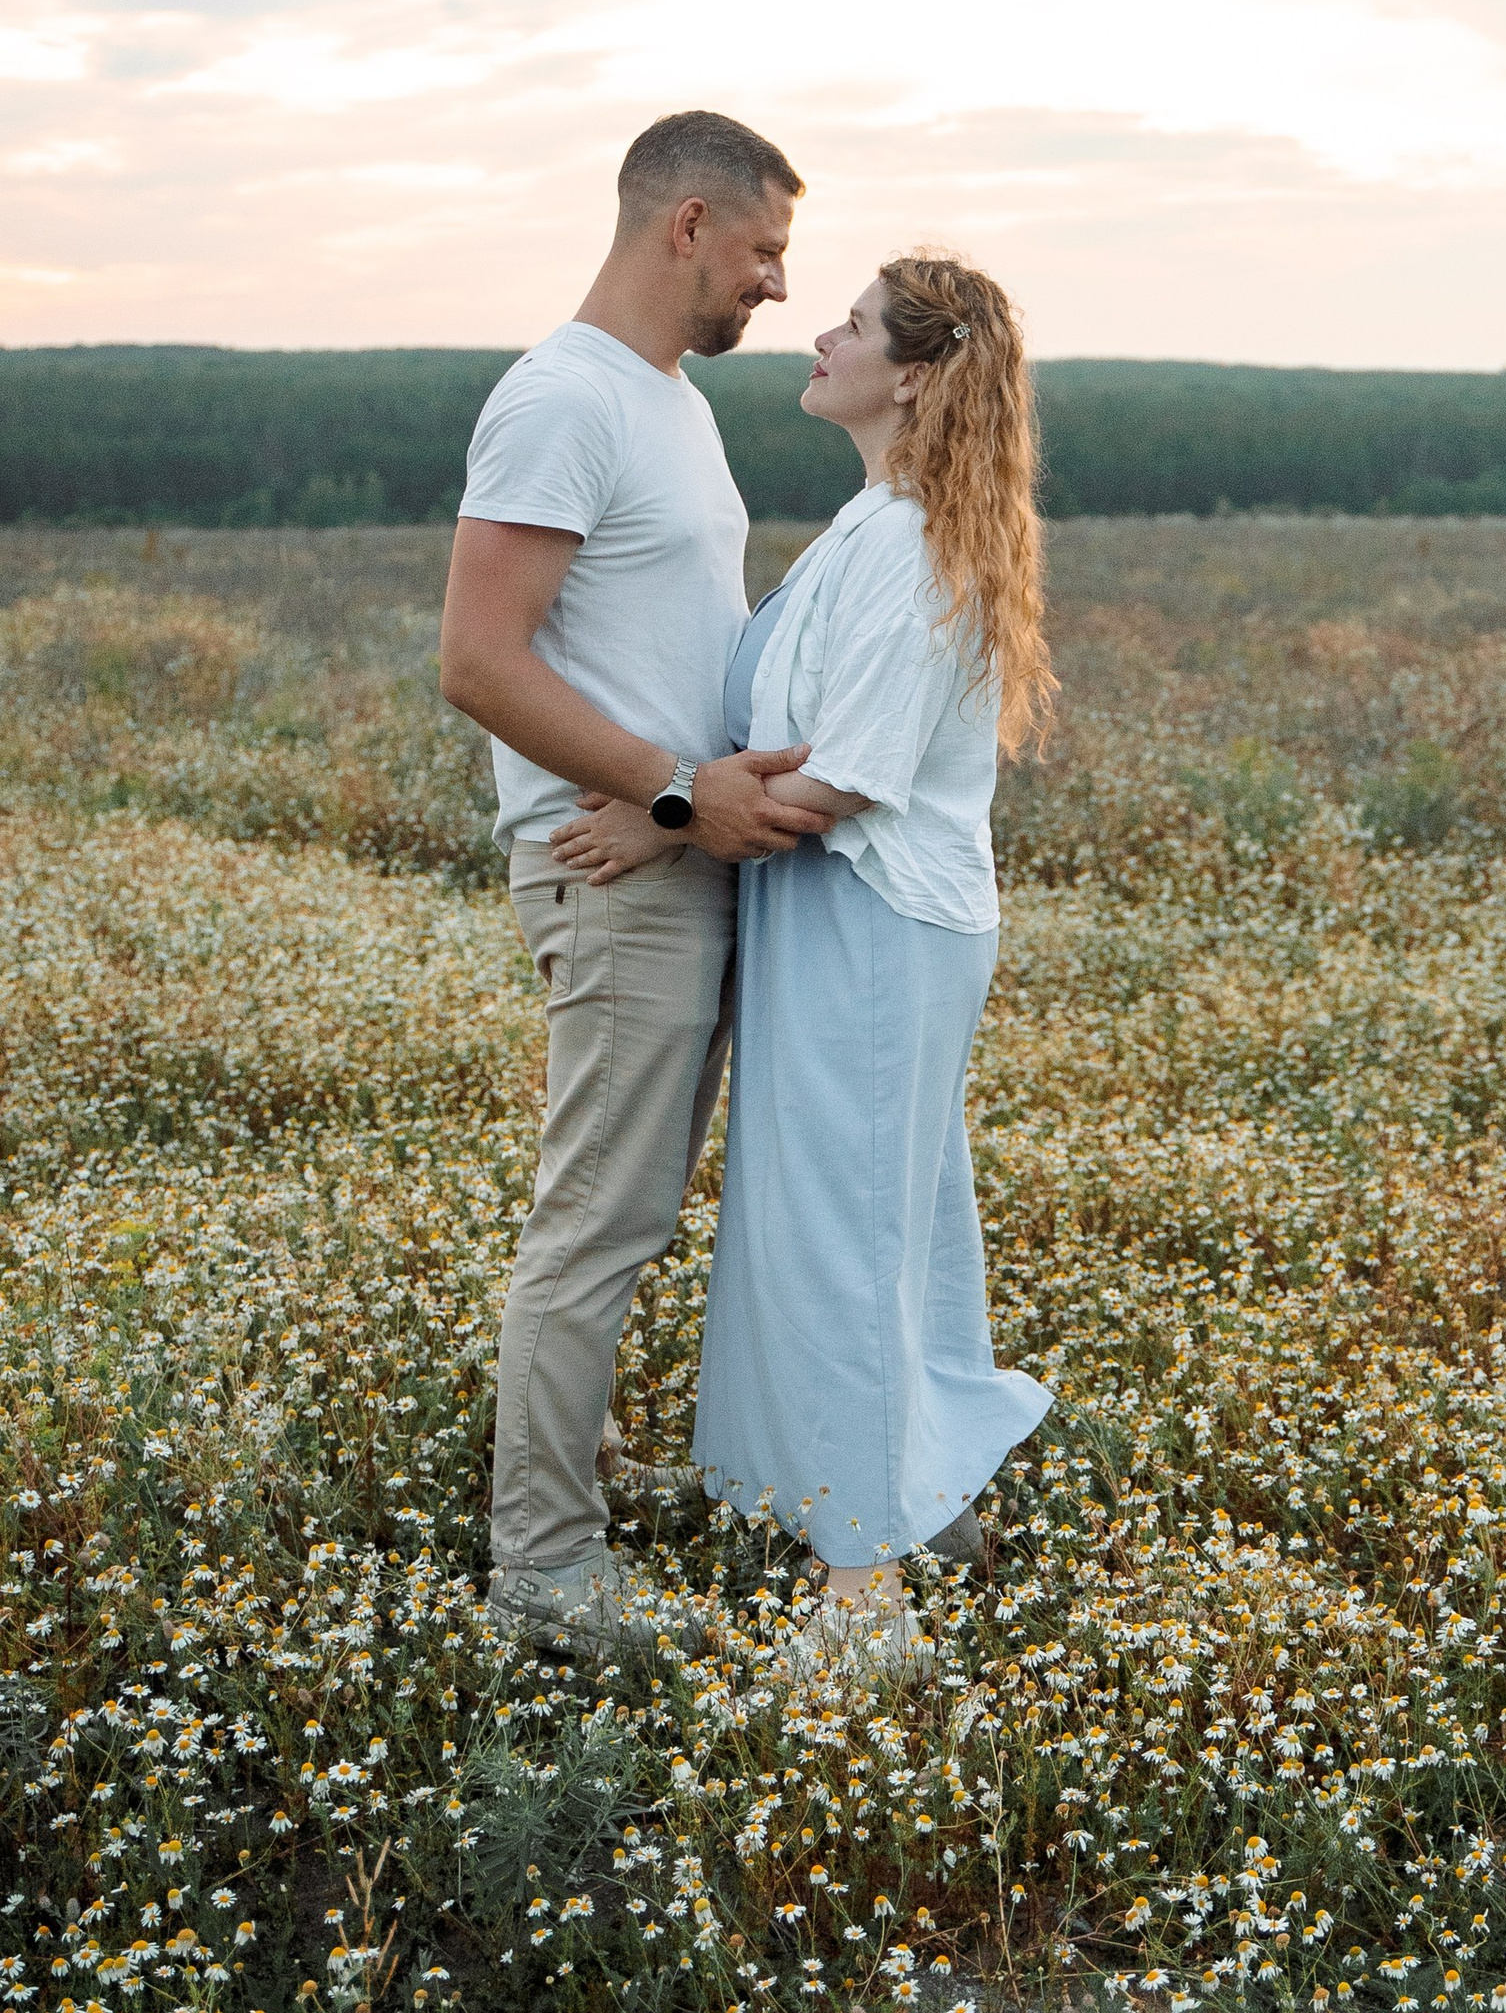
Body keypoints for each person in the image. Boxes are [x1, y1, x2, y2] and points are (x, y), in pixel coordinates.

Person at [550, 252, 1057, 1676]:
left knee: (845, 1233)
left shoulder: (909, 546)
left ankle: (864, 1604)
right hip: (850, 919)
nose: (815, 333)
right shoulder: (880, 523)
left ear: (911, 374)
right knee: (883, 1220)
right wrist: (690, 793)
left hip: (873, 921)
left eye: (849, 324)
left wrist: (665, 820)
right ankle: (918, 1493)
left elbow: (844, 777)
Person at [439, 110, 830, 1656]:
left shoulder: (667, 401)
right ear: (685, 226)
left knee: (632, 1209)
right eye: (764, 250)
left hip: (671, 855)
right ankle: (542, 1569)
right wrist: (670, 796)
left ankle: (584, 1469)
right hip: (615, 874)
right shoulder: (562, 401)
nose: (779, 287)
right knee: (596, 1221)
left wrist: (694, 801)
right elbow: (475, 658)